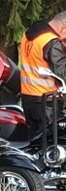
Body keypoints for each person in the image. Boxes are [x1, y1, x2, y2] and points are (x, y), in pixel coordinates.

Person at [18, 12, 66, 140]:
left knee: (33, 143)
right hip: (48, 102)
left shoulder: (28, 36)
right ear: (64, 28)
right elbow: (62, 72)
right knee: (50, 143)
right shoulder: (51, 42)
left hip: (28, 99)